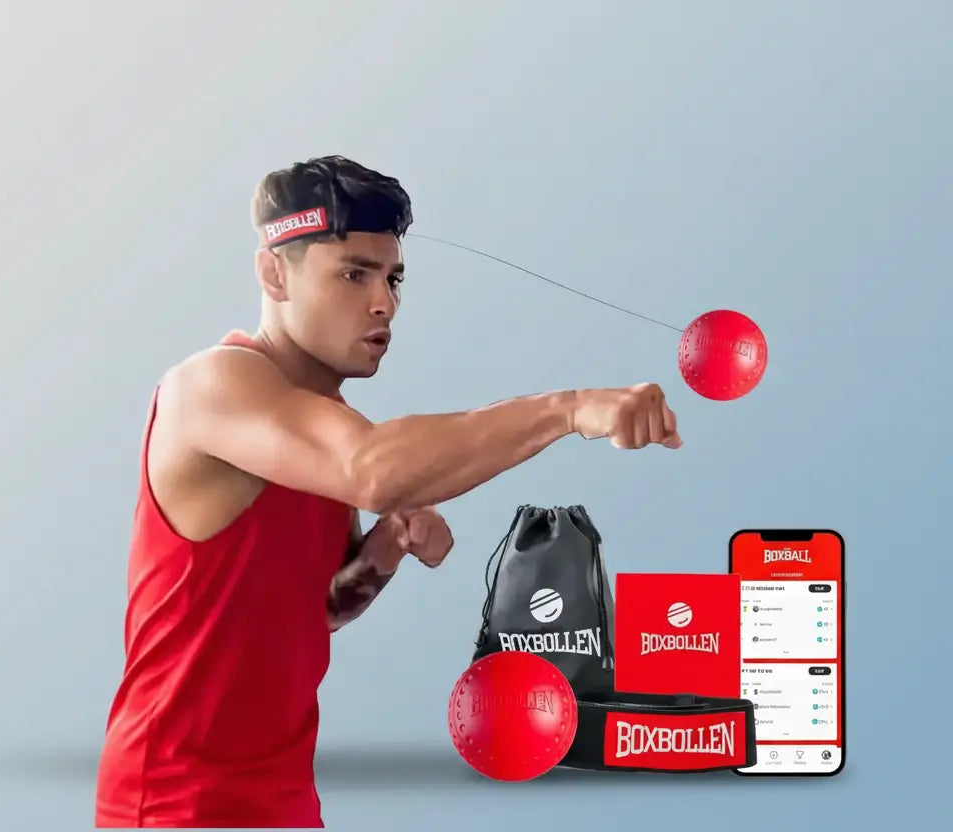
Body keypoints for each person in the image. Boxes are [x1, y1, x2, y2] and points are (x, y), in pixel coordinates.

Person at [95, 155, 683, 828]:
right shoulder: (214, 386)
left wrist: (383, 553)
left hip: (281, 799)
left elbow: (320, 612)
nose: (384, 302)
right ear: (273, 273)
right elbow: (376, 470)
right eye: (353, 274)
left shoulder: (322, 429)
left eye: (393, 277)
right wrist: (569, 408)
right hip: (176, 801)